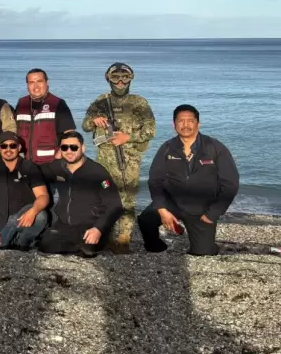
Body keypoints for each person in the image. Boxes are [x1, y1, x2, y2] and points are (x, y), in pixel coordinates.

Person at [139, 105, 239, 256]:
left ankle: (207, 243)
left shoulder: (215, 148)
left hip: (201, 209)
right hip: (171, 202)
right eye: (181, 121)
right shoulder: (167, 148)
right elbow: (155, 181)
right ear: (174, 125)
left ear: (198, 124)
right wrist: (162, 209)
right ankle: (156, 247)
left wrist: (213, 213)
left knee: (204, 254)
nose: (185, 125)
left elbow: (230, 184)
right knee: (145, 220)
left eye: (190, 121)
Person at [82, 63, 157, 252]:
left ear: (131, 78)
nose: (121, 82)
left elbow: (150, 130)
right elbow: (85, 125)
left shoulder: (139, 103)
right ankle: (106, 236)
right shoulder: (100, 101)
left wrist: (127, 137)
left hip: (129, 161)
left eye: (125, 77)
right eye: (116, 78)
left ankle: (124, 239)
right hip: (104, 162)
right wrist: (94, 120)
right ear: (108, 79)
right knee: (103, 199)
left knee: (127, 201)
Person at [38, 131, 123, 257]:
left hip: (90, 225)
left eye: (74, 147)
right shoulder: (56, 167)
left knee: (87, 251)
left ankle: (99, 240)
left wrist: (98, 229)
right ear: (60, 150)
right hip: (65, 224)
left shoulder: (97, 172)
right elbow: (33, 171)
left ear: (82, 148)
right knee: (45, 246)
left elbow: (116, 205)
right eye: (64, 147)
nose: (69, 151)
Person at [0, 131, 50, 250]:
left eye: (13, 145)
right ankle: (12, 239)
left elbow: (43, 196)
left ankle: (23, 241)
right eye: (4, 146)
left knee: (41, 216)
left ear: (19, 148)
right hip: (0, 220)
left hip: (25, 216)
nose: (8, 149)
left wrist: (33, 211)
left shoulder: (29, 167)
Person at [16, 68, 75, 166]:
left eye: (39, 81)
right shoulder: (22, 103)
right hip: (25, 163)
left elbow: (70, 135)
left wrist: (59, 157)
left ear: (47, 82)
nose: (36, 86)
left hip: (51, 163)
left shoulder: (58, 103)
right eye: (31, 82)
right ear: (27, 86)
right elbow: (14, 131)